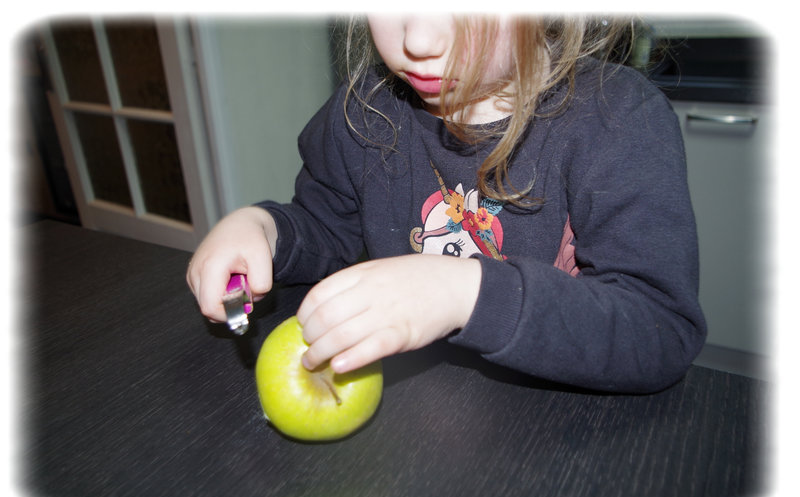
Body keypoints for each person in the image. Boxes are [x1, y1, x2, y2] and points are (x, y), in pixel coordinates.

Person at [186, 14, 707, 393]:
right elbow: (329, 232)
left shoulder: (620, 120)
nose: (418, 39)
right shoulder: (362, 110)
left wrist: (465, 292)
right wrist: (265, 230)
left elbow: (657, 330)